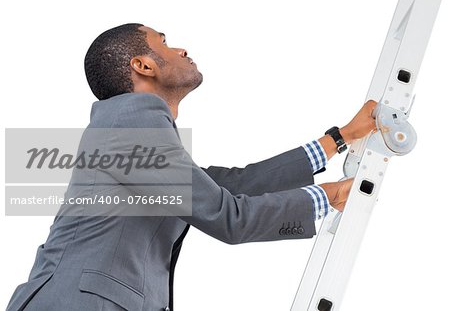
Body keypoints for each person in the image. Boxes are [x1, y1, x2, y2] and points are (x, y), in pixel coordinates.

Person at [6, 23, 377, 311]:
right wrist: (328, 196)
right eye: (164, 41)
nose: (181, 48)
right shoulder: (131, 128)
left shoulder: (130, 132)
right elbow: (228, 216)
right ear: (143, 65)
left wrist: (339, 138)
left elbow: (230, 186)